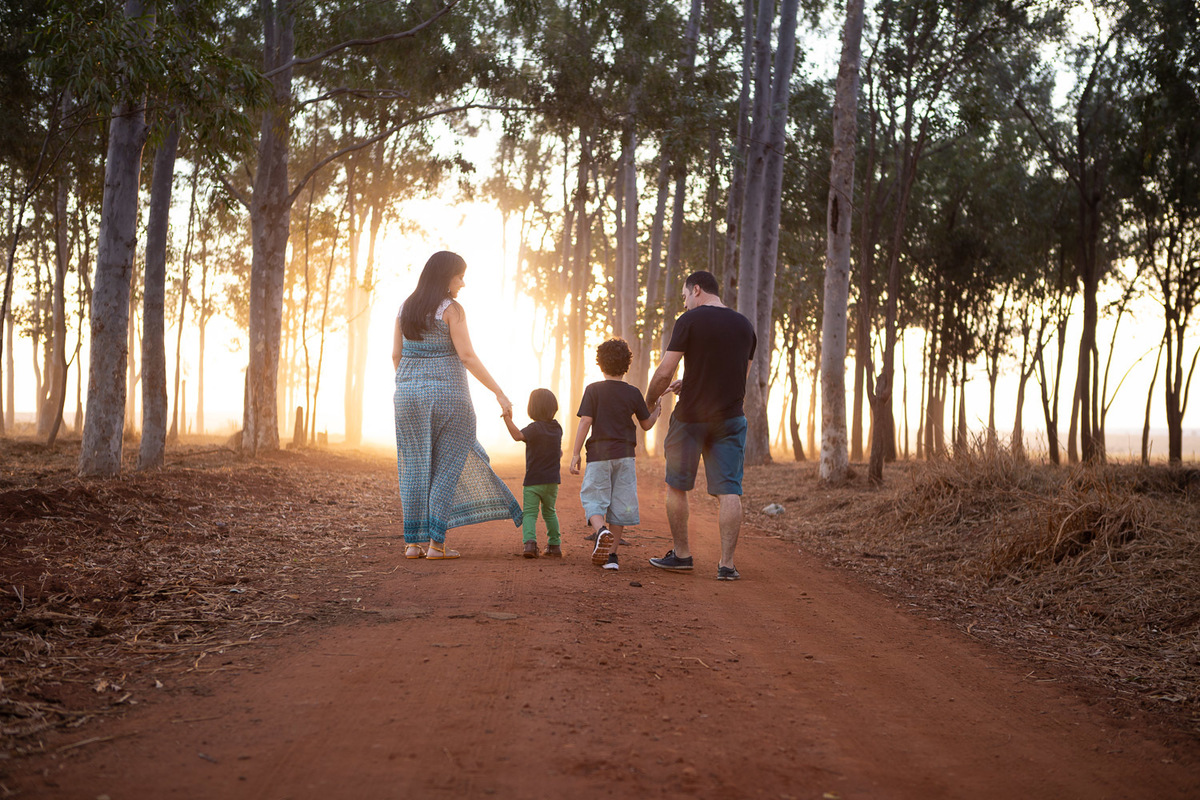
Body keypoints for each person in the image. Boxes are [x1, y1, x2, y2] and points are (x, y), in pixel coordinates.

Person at [392, 250, 521, 560]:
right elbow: (467, 356)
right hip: (449, 396)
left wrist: (413, 386)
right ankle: (437, 545)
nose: (463, 282)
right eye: (459, 276)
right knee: (446, 468)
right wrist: (499, 392)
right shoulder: (451, 309)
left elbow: (396, 356)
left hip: (406, 397)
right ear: (445, 276)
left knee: (413, 467)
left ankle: (412, 545)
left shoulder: (404, 308)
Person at [644, 270, 756, 581]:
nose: (685, 304)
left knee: (676, 486)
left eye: (684, 298)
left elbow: (665, 371)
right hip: (731, 419)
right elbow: (737, 377)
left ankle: (681, 555)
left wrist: (650, 401)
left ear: (696, 290)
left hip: (691, 419)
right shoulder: (746, 326)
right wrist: (692, 382)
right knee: (729, 491)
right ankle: (727, 565)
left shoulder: (689, 321)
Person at [569, 338, 664, 572]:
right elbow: (646, 425)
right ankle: (612, 557)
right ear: (627, 364)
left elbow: (585, 422)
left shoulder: (593, 390)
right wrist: (658, 411)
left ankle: (601, 531)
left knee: (593, 498)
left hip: (599, 455)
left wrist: (575, 453)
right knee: (620, 503)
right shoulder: (633, 393)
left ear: (600, 364)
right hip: (625, 455)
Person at [502, 388, 563, 558]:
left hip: (533, 481)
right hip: (551, 481)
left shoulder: (534, 428)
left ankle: (530, 545)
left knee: (530, 513)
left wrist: (507, 418)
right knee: (550, 511)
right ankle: (554, 545)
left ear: (533, 408)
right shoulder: (557, 428)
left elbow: (517, 435)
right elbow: (558, 452)